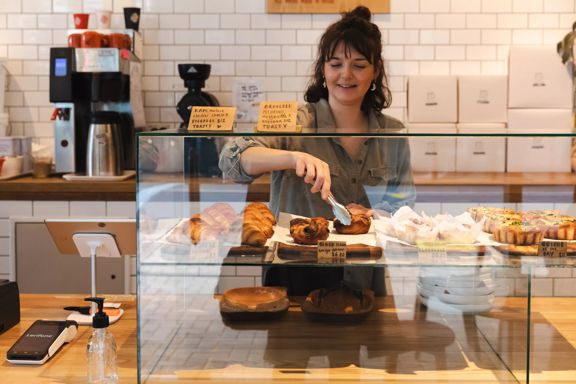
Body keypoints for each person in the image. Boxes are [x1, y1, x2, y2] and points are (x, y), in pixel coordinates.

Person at [219, 6, 416, 295]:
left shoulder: (393, 132)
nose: (345, 75)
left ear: (375, 71)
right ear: (322, 70)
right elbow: (231, 159)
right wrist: (292, 157)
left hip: (363, 272)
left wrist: (374, 213)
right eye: (335, 64)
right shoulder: (295, 121)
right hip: (294, 272)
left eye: (359, 65)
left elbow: (404, 204)